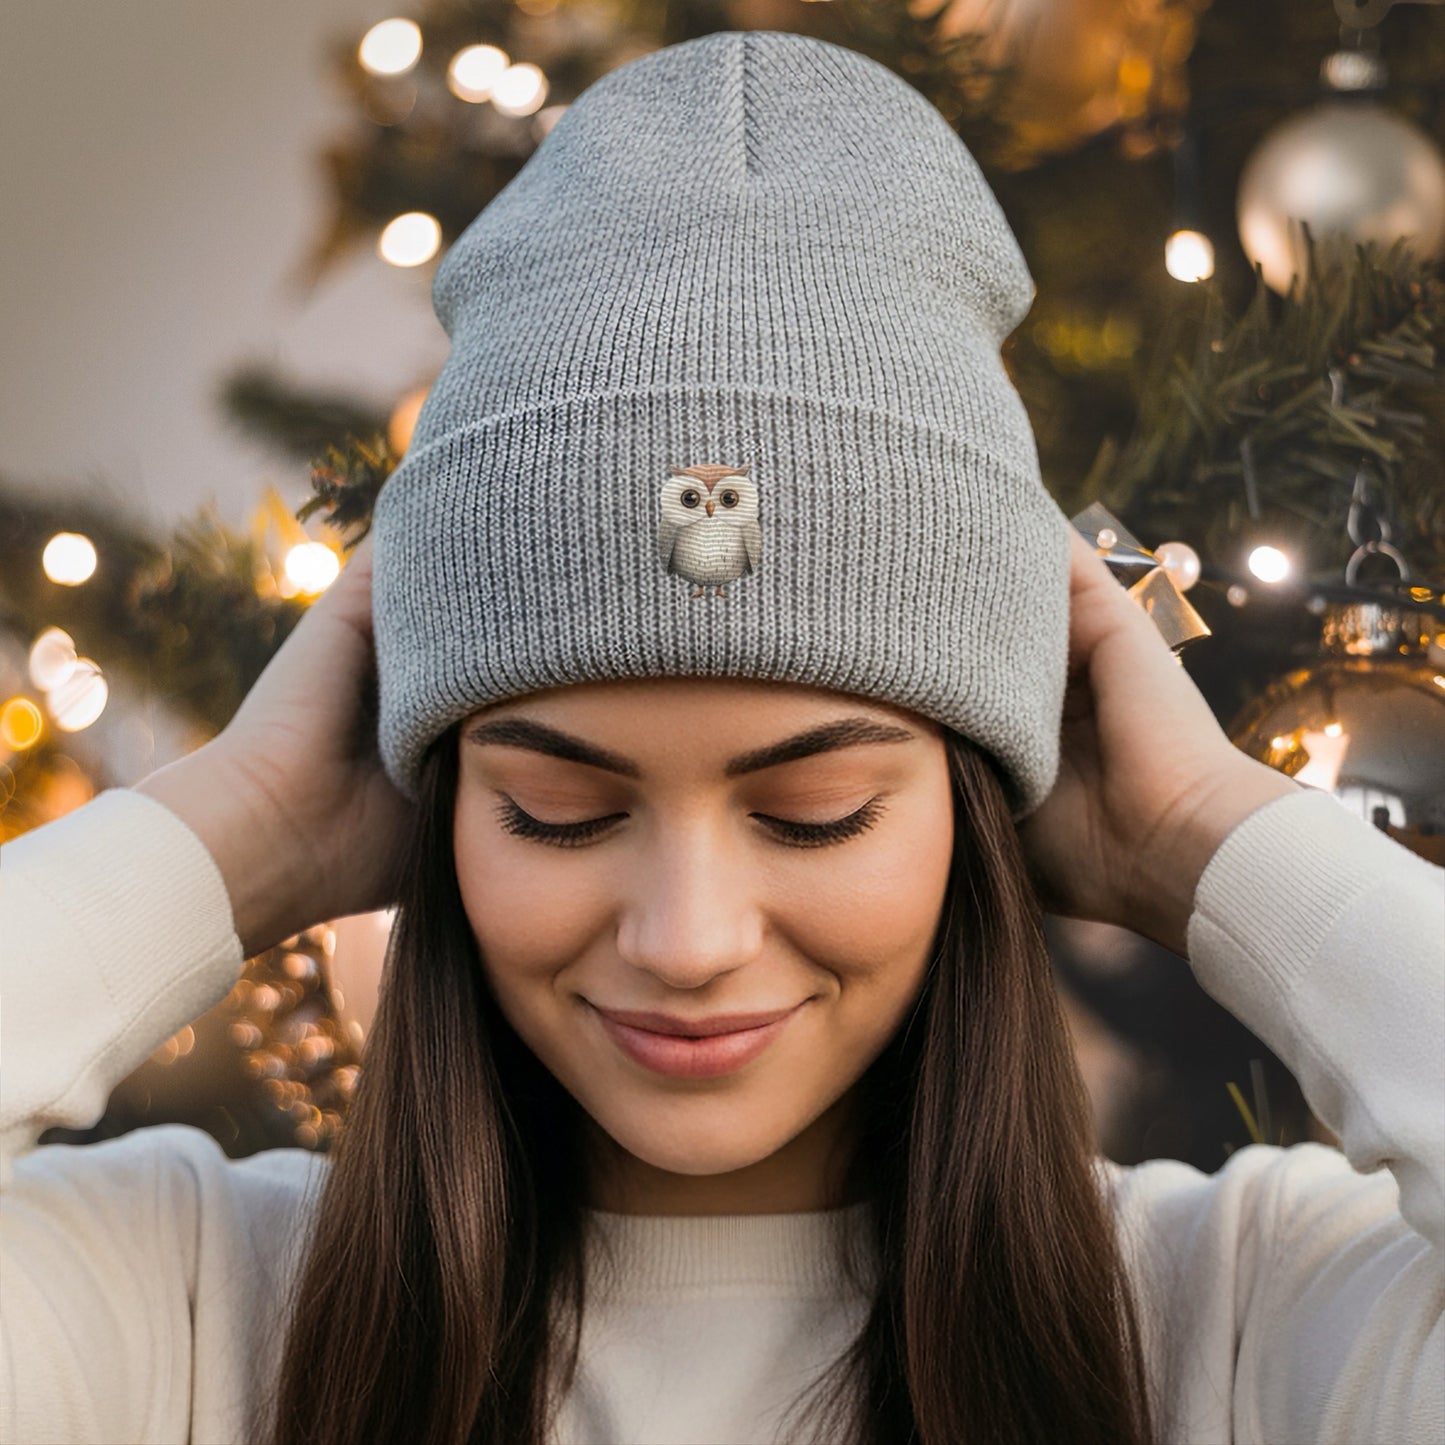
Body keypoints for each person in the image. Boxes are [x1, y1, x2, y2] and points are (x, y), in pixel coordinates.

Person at [2, 28, 1441, 1445]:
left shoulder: (1242, 1319)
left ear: (973, 803)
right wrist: (235, 832)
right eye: (556, 807)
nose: (686, 942)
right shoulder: (188, 1306)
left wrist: (1204, 839)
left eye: (814, 808)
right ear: (442, 803)